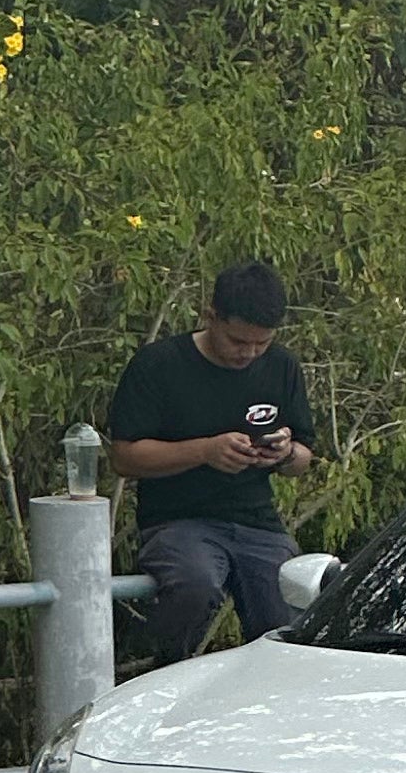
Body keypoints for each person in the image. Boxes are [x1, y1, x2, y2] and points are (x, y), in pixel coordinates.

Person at [105, 258, 320, 665]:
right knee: (196, 585)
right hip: (178, 521)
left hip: (258, 524)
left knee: (290, 606)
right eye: (239, 342)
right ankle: (165, 671)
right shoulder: (158, 366)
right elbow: (124, 457)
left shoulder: (283, 368)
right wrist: (204, 451)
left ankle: (271, 695)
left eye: (262, 343)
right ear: (210, 316)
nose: (250, 353)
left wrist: (284, 453)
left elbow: (303, 459)